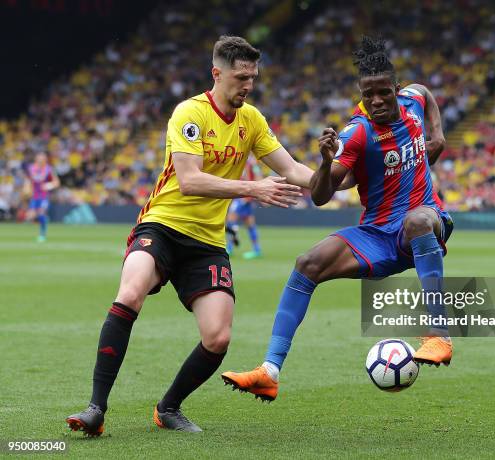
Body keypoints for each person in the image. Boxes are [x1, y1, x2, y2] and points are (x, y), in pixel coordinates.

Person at [65, 35, 316, 435]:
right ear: (217, 73)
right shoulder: (190, 113)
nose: (248, 85)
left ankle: (168, 408)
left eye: (252, 77)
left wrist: (338, 175)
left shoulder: (252, 120)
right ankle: (96, 408)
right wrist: (253, 188)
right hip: (162, 225)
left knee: (218, 337)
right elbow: (189, 180)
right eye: (240, 77)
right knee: (130, 293)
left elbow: (294, 170)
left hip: (207, 243)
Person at [222, 36, 453, 402]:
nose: (375, 101)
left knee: (418, 221)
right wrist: (327, 161)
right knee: (307, 263)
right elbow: (320, 195)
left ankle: (439, 332)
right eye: (367, 94)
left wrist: (436, 134)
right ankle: (270, 371)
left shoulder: (413, 100)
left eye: (383, 93)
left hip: (424, 222)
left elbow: (425, 91)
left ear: (396, 89)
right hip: (377, 234)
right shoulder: (357, 133)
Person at [226, 157, 263, 258]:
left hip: (244, 197)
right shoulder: (246, 160)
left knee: (231, 221)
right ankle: (256, 249)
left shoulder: (250, 162)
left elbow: (258, 176)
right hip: (245, 196)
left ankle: (229, 248)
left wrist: (252, 194)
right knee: (250, 224)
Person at [25, 152, 60, 242]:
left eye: (43, 158)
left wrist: (48, 185)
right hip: (34, 196)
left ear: (45, 160)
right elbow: (28, 180)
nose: (41, 160)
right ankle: (44, 219)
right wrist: (26, 187)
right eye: (39, 158)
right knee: (30, 216)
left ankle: (42, 234)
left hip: (44, 196)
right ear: (36, 159)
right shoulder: (31, 168)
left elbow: (56, 182)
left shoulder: (49, 169)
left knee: (41, 213)